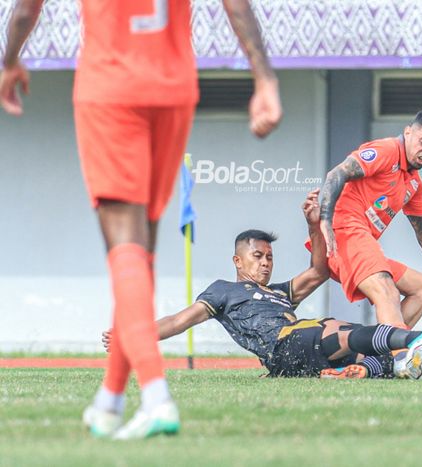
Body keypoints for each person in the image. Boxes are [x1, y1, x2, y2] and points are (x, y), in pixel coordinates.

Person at [1, 0, 282, 440]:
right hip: (172, 90)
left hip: (111, 89)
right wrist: (264, 77)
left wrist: (11, 59)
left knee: (124, 248)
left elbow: (25, 9)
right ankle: (110, 401)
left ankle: (155, 394)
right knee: (140, 256)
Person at [103, 191, 422, 380]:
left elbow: (320, 270)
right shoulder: (223, 292)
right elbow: (179, 320)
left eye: (269, 257)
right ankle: (419, 338)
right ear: (238, 261)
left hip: (301, 354)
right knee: (335, 328)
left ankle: (362, 371)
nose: (265, 263)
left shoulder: (278, 293)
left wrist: (313, 226)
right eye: (258, 257)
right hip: (282, 348)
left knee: (367, 351)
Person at [316, 109, 422, 329]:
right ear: (408, 132)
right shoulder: (387, 150)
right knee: (387, 290)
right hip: (344, 233)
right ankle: (400, 353)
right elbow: (337, 174)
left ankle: (372, 355)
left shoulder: (414, 183)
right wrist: (325, 220)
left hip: (362, 245)